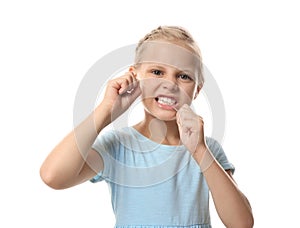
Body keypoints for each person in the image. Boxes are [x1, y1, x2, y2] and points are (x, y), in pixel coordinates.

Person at [40, 26, 254, 228]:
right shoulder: (118, 146)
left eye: (183, 76)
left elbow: (241, 223)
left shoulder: (207, 149)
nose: (170, 84)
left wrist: (199, 151)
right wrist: (105, 111)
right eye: (157, 72)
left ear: (197, 89)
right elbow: (53, 176)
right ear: (135, 76)